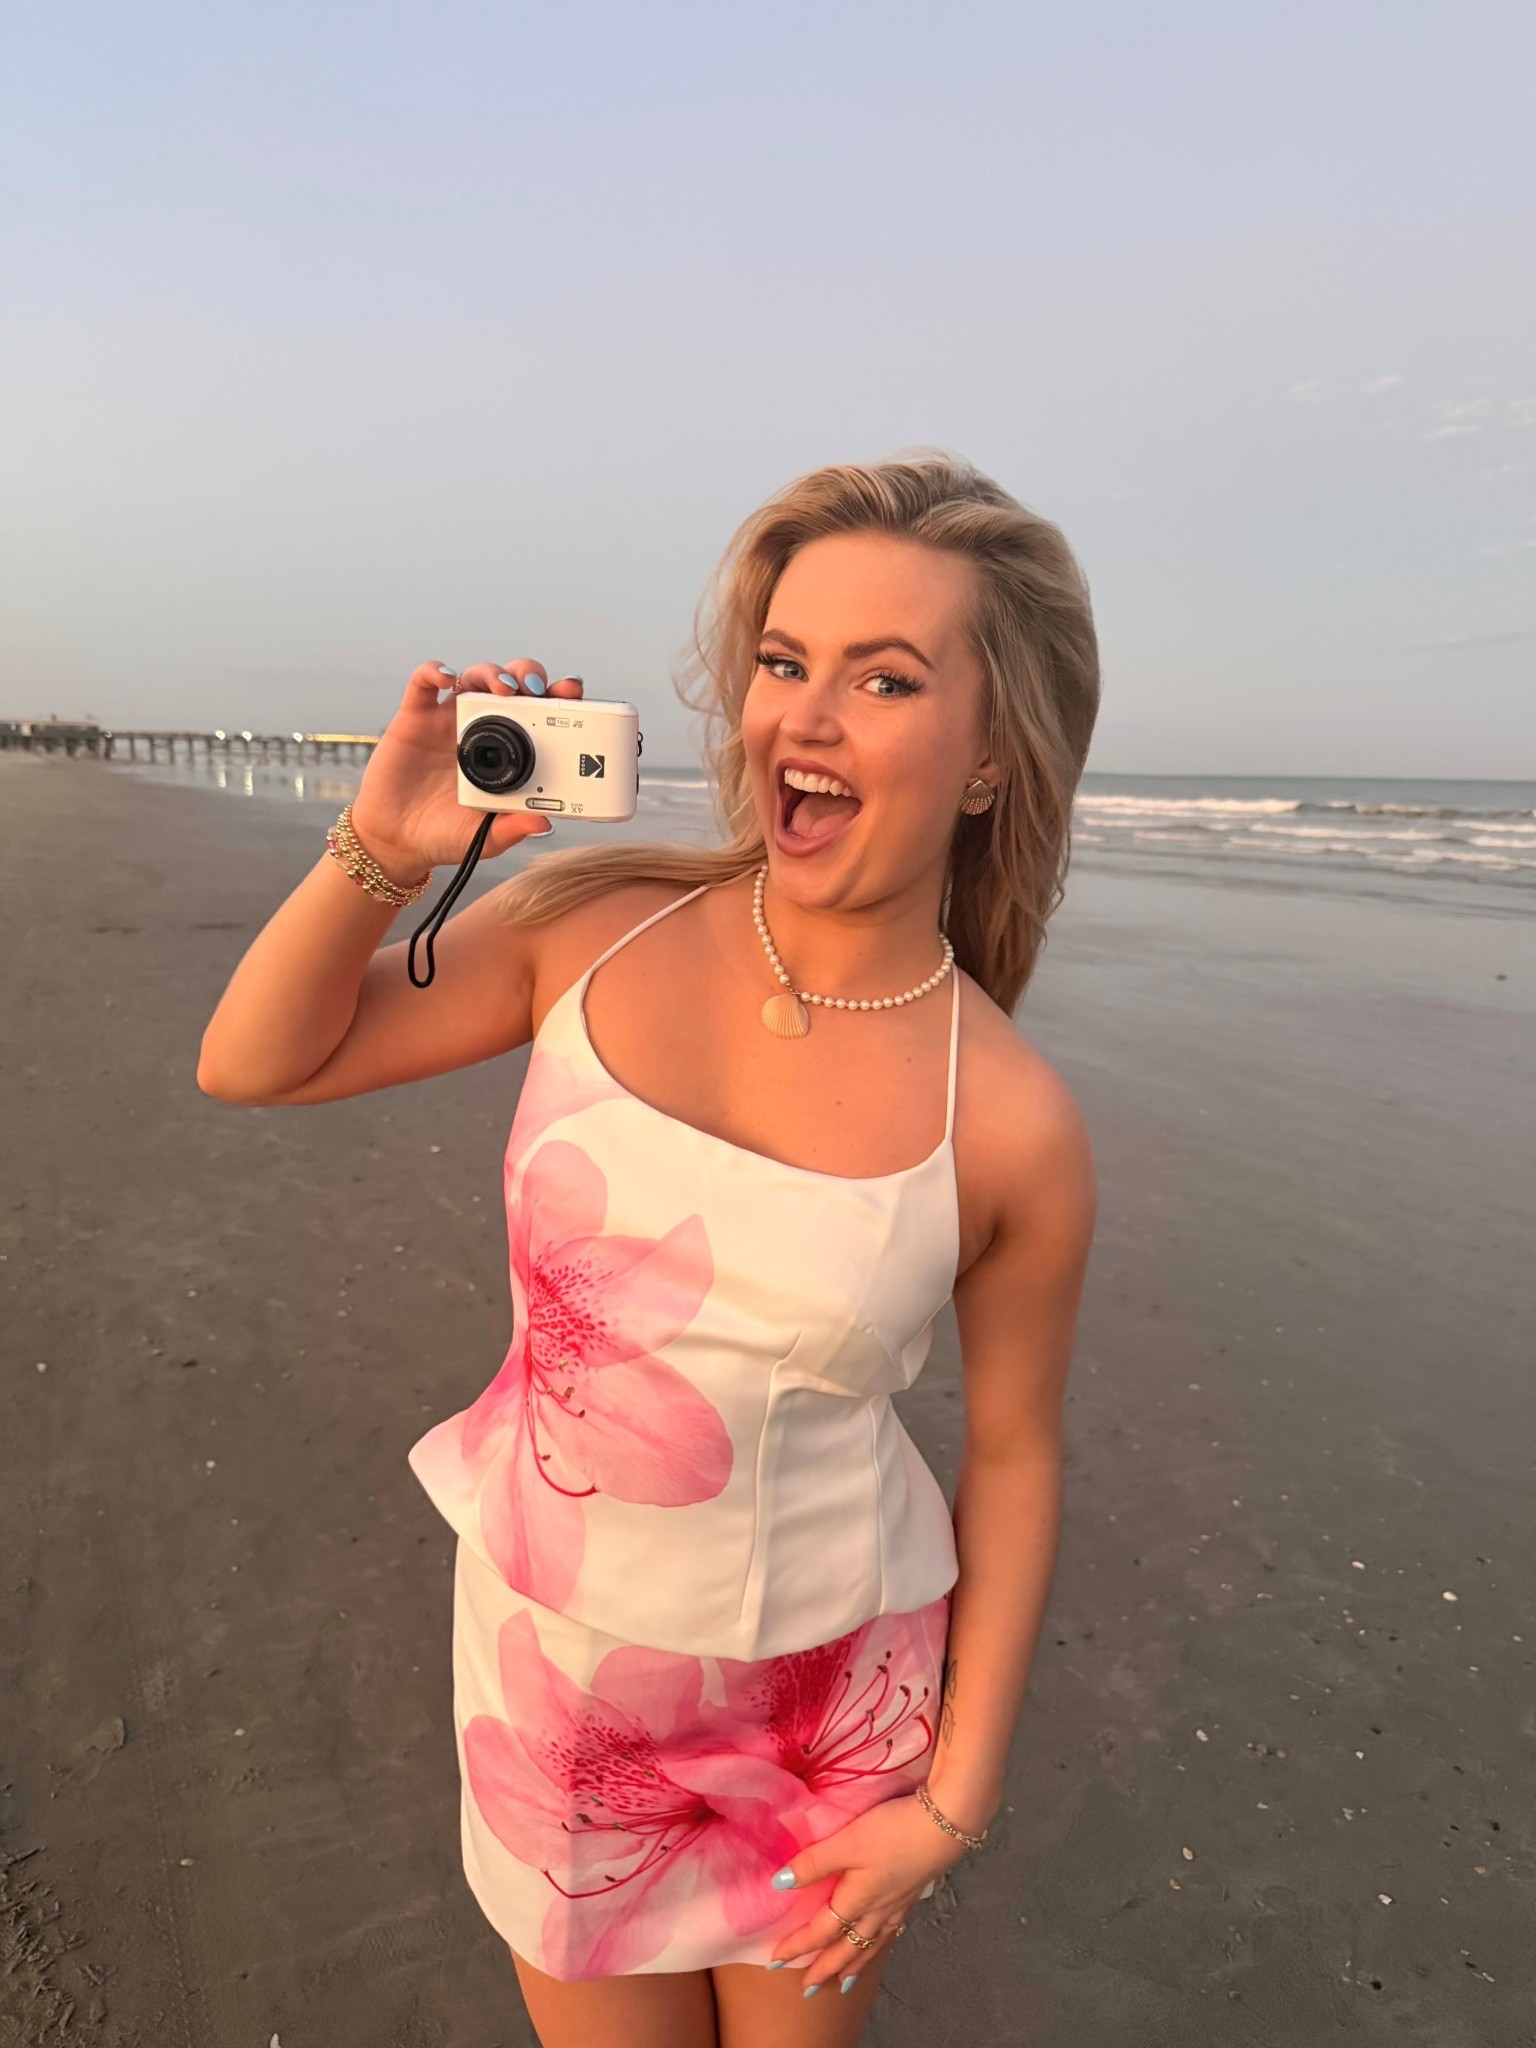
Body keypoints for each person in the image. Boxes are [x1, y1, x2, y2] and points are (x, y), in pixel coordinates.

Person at [197, 451, 1101, 2048]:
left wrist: (951, 1806)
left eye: (883, 679)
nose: (803, 719)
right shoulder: (587, 925)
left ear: (986, 759)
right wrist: (384, 845)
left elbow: (1017, 1455)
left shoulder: (1014, 1120)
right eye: (781, 661)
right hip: (559, 1675)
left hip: (833, 1712)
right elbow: (259, 1058)